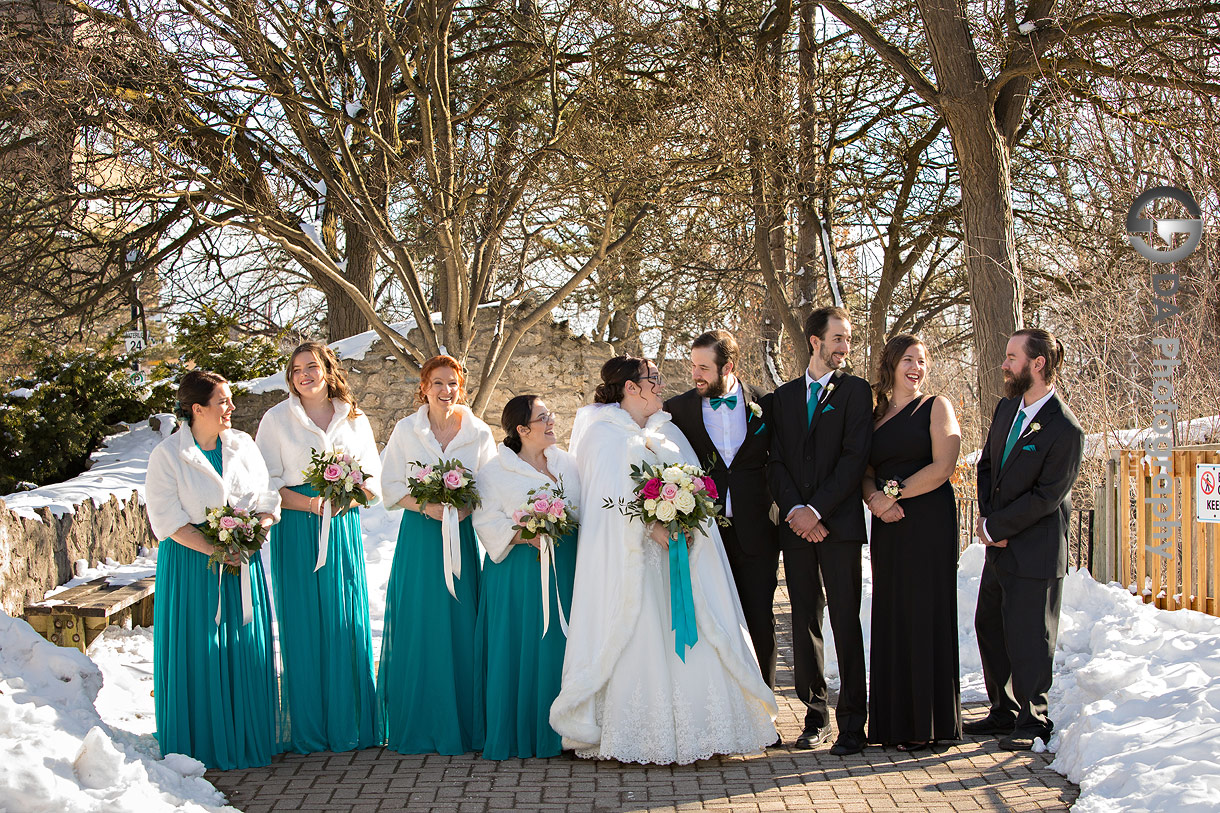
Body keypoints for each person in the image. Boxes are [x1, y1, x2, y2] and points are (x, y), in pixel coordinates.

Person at [551, 356, 778, 765]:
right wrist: (648, 527)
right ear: (629, 388)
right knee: (641, 633)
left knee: (694, 633)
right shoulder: (602, 435)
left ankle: (706, 730)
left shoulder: (670, 431)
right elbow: (605, 504)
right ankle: (635, 733)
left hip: (679, 557)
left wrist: (688, 519)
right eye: (651, 379)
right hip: (631, 566)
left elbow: (698, 484)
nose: (660, 385)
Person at [145, 369, 282, 770]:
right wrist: (214, 549)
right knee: (200, 646)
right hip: (193, 564)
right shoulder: (168, 456)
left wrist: (257, 529)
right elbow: (166, 519)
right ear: (196, 409)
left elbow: (265, 495)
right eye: (223, 401)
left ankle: (243, 735)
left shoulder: (241, 444)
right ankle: (199, 741)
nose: (231, 408)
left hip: (241, 560)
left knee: (242, 643)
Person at [254, 342, 382, 753]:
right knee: (304, 621)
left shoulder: (354, 418)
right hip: (297, 527)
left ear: (328, 368)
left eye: (312, 366)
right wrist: (310, 503)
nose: (304, 374)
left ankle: (352, 723)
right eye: (295, 369)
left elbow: (372, 479)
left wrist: (348, 495)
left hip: (341, 526)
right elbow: (266, 484)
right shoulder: (276, 419)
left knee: (344, 620)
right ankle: (308, 727)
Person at [969, 328, 1084, 751]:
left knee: (1030, 637)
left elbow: (1046, 497)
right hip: (999, 547)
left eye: (1012, 357)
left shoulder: (1065, 429)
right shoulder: (1005, 410)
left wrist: (998, 528)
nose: (1004, 364)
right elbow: (986, 466)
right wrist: (987, 520)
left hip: (1035, 551)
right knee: (990, 627)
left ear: (1037, 364)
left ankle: (1033, 720)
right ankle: (1002, 710)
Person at [377, 355, 497, 754]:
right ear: (424, 387)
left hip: (460, 536)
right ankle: (419, 721)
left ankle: (462, 724)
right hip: (420, 536)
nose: (447, 391)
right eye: (438, 383)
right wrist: (425, 505)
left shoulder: (477, 432)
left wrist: (466, 508)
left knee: (460, 624)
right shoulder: (405, 430)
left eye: (453, 384)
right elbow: (391, 486)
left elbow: (491, 485)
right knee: (420, 623)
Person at [767, 306, 872, 755]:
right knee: (804, 619)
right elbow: (775, 461)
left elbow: (854, 458)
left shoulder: (855, 392)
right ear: (815, 341)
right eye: (838, 339)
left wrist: (816, 509)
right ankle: (816, 716)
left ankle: (853, 722)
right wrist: (795, 510)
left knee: (845, 620)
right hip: (796, 528)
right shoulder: (782, 398)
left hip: (838, 527)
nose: (845, 347)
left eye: (848, 339)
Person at [663, 330, 780, 690]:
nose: (695, 374)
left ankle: (766, 704)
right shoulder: (677, 409)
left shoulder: (768, 403)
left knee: (759, 618)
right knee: (712, 617)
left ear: (728, 366)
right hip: (705, 532)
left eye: (703, 367)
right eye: (693, 365)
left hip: (758, 530)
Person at [862, 335, 962, 752]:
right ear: (891, 365)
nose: (916, 367)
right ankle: (892, 724)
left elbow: (944, 466)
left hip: (928, 523)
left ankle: (928, 722)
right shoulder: (874, 415)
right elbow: (863, 469)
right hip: (888, 525)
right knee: (893, 613)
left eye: (922, 360)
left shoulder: (936, 406)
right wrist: (875, 502)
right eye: (907, 359)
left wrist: (895, 494)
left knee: (925, 612)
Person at [472, 396, 580, 760]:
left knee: (564, 646)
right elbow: (486, 523)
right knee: (526, 646)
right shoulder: (494, 471)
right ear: (521, 429)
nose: (552, 422)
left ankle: (571, 730)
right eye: (543, 417)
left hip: (565, 567)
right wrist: (527, 534)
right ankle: (526, 731)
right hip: (518, 573)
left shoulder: (567, 463)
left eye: (551, 414)